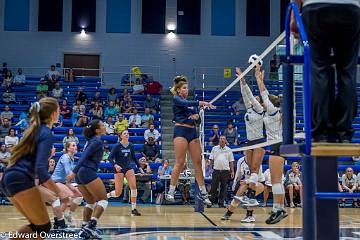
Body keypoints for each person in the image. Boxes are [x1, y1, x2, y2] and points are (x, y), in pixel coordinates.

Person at [293, 0, 360, 142]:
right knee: (347, 72)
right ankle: (344, 133)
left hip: (316, 7)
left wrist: (294, 18)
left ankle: (321, 132)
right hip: (350, 8)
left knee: (319, 70)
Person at [0, 98, 64, 236]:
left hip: (8, 178)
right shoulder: (46, 133)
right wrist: (59, 191)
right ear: (53, 114)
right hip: (20, 179)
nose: (59, 113)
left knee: (37, 225)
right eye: (58, 110)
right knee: (43, 226)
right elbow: (41, 169)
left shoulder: (33, 130)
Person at [165, 75, 214, 206]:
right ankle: (171, 191)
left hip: (192, 131)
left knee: (198, 162)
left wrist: (197, 116)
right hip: (181, 131)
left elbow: (197, 121)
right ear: (179, 90)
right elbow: (185, 104)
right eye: (184, 88)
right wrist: (201, 103)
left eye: (187, 88)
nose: (186, 90)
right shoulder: (176, 99)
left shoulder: (192, 104)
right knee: (180, 162)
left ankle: (203, 193)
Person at [255, 66, 287, 224]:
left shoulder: (274, 111)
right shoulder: (273, 111)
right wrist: (260, 78)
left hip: (277, 146)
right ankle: (279, 209)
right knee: (277, 181)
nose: (263, 103)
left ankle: (278, 209)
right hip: (278, 145)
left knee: (275, 181)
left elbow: (263, 94)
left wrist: (257, 77)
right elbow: (264, 93)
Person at [66, 119, 107, 239]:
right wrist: (73, 172)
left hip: (81, 173)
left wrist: (75, 172)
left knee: (91, 202)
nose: (105, 127)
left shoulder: (90, 141)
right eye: (103, 125)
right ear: (97, 130)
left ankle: (84, 227)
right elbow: (84, 156)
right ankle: (91, 226)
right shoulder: (96, 141)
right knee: (103, 200)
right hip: (87, 171)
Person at [236, 66, 266, 208]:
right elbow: (245, 93)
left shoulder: (260, 109)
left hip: (259, 142)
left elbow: (248, 93)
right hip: (249, 142)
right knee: (250, 172)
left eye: (257, 98)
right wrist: (240, 81)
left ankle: (251, 197)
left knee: (255, 169)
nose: (254, 98)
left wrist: (243, 78)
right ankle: (249, 197)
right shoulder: (249, 108)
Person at [107, 130, 143, 216]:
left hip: (128, 168)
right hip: (119, 169)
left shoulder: (131, 145)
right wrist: (115, 165)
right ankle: (106, 196)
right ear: (121, 136)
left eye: (128, 133)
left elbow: (134, 158)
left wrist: (140, 168)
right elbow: (110, 158)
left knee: (134, 187)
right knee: (118, 193)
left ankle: (134, 209)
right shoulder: (117, 146)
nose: (127, 134)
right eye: (125, 133)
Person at [221, 155, 265, 222]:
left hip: (259, 183)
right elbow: (238, 173)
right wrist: (234, 183)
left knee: (250, 194)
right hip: (246, 183)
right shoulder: (241, 160)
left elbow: (258, 177)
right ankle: (228, 214)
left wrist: (246, 181)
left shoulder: (257, 161)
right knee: (237, 197)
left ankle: (250, 216)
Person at [52, 141, 83, 226]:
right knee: (72, 196)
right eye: (73, 145)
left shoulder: (72, 157)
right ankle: (60, 218)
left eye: (76, 145)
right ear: (68, 148)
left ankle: (63, 217)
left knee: (71, 198)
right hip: (56, 182)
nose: (75, 146)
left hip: (63, 182)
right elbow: (68, 173)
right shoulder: (65, 157)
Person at [209, 135, 235, 207]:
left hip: (225, 171)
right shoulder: (214, 148)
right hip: (216, 171)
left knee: (224, 188)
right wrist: (210, 169)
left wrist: (232, 171)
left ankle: (221, 203)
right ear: (219, 140)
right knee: (213, 187)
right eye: (221, 138)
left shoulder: (229, 149)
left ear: (225, 140)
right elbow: (211, 159)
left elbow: (231, 161)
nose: (222, 140)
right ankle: (210, 202)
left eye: (223, 139)